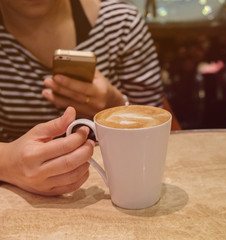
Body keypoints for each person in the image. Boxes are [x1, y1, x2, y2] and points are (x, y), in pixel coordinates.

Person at [0, 0, 163, 196]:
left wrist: (115, 104)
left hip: (117, 191)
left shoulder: (120, 22)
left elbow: (158, 132)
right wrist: (8, 163)